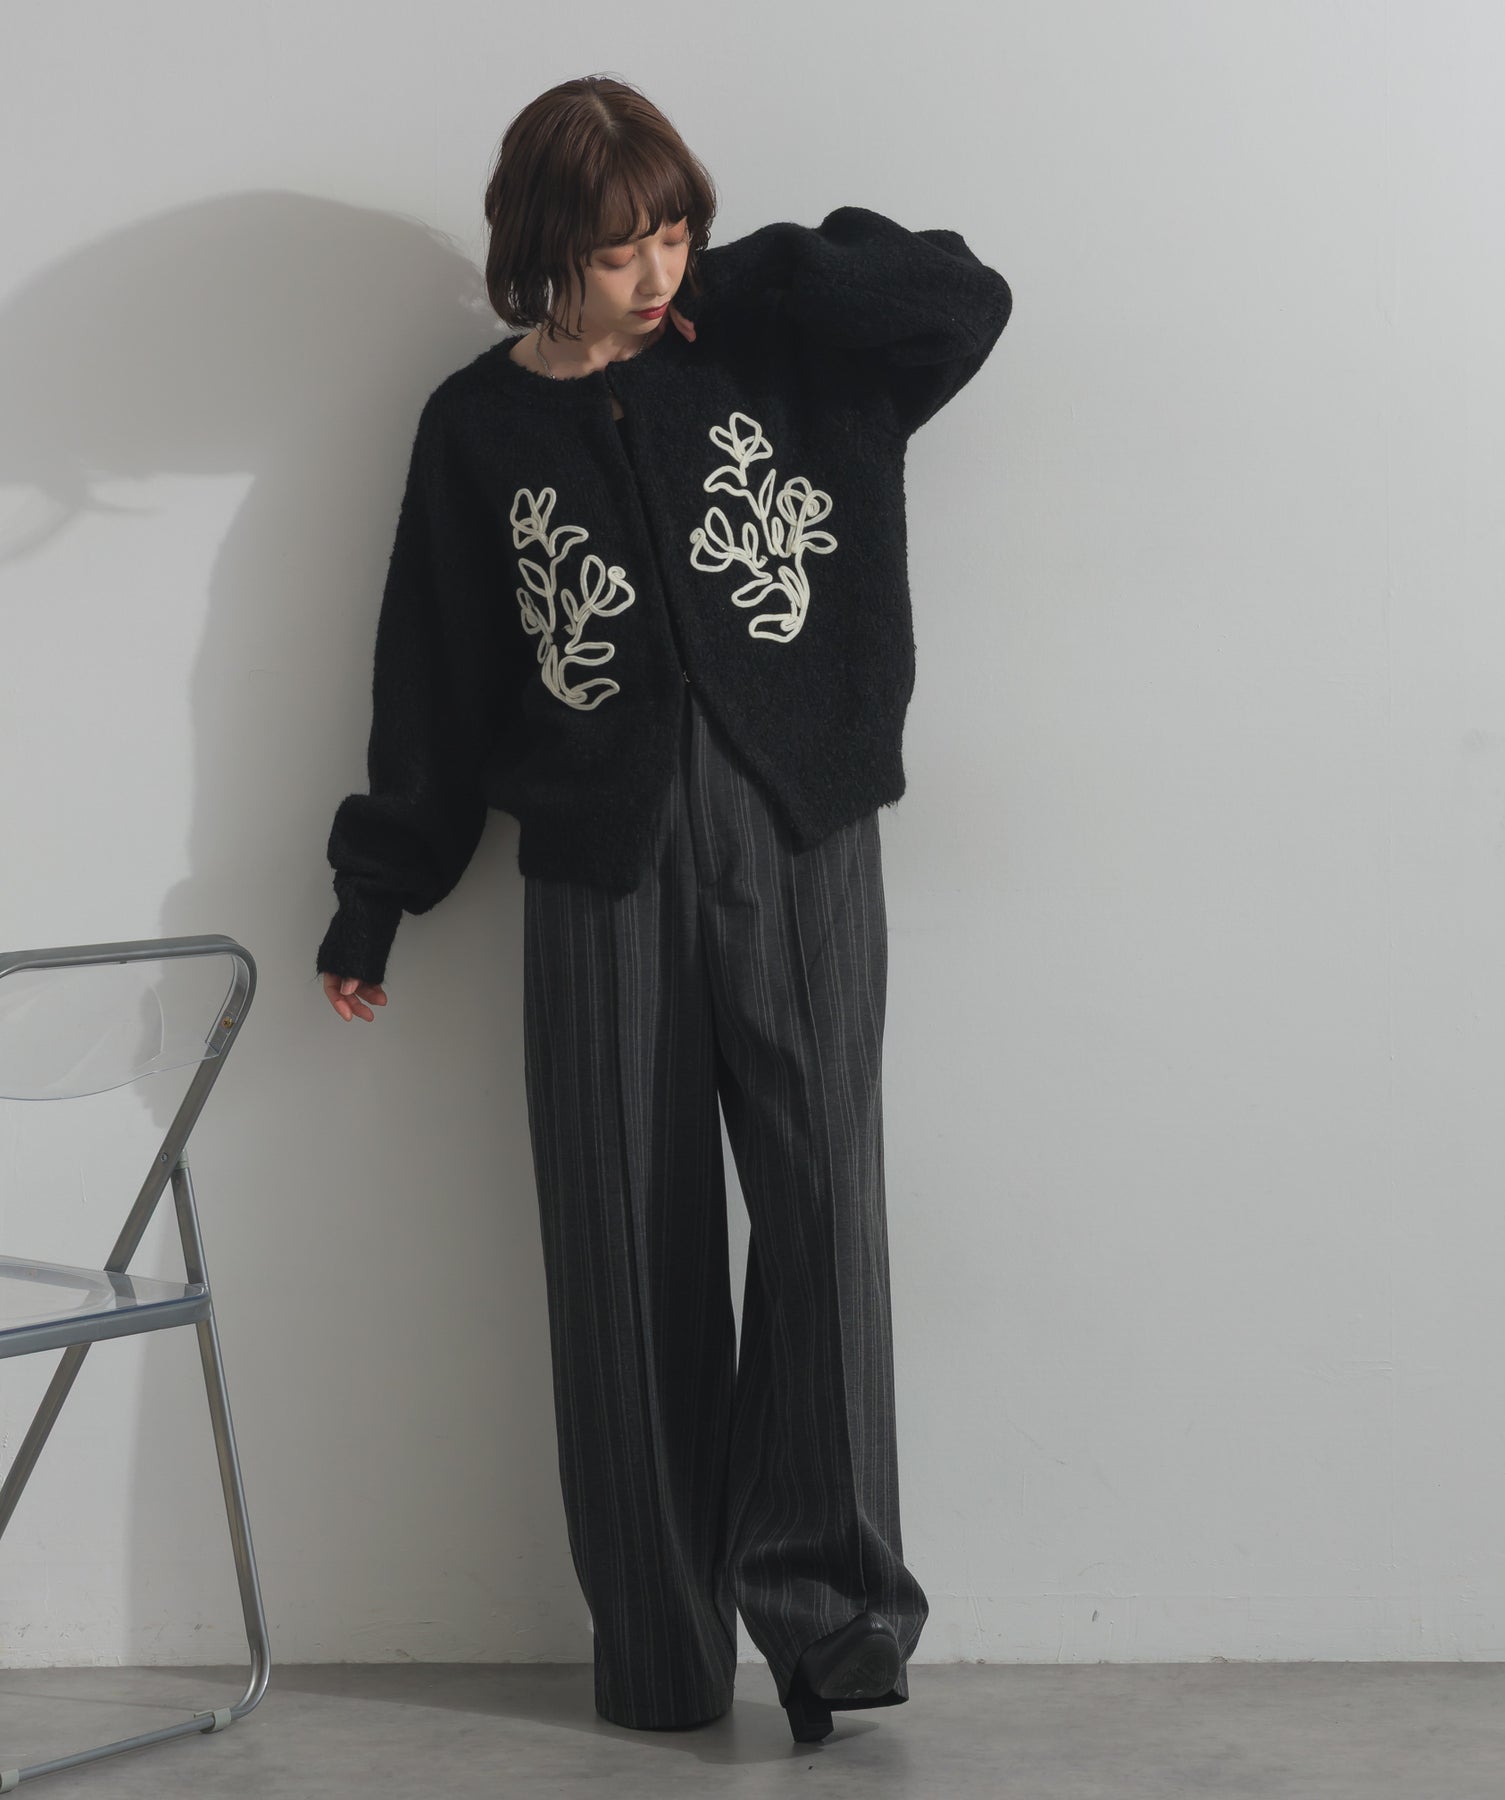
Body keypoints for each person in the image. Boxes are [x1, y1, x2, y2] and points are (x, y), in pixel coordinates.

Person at [315, 73, 1012, 1745]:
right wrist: (379, 890)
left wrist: (755, 270)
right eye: (618, 247)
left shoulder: (769, 345)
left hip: (797, 828)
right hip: (596, 865)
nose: (652, 273)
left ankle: (835, 1626)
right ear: (540, 247)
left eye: (673, 233)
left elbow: (960, 302)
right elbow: (435, 672)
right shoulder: (475, 428)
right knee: (622, 1250)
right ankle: (659, 1650)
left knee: (824, 1210)